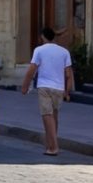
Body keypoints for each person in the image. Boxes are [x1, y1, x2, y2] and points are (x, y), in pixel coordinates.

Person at [21, 26, 75, 156]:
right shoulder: (64, 52)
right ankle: (49, 144)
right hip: (59, 88)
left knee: (47, 116)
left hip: (44, 86)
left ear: (43, 37)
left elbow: (31, 69)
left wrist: (24, 86)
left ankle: (54, 147)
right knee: (54, 116)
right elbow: (69, 74)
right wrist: (67, 92)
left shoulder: (39, 50)